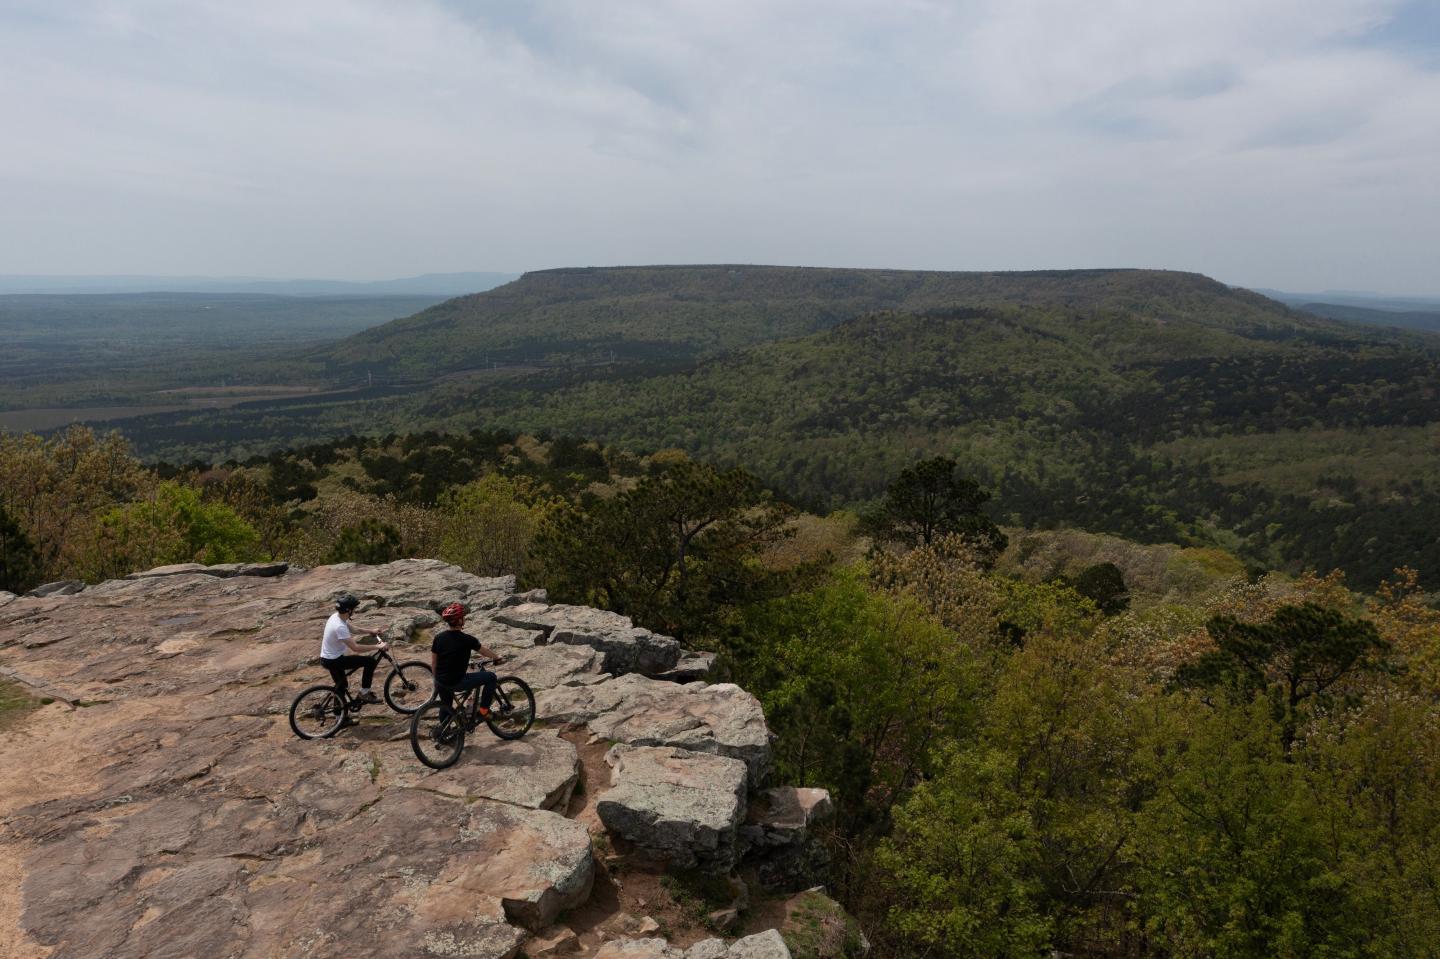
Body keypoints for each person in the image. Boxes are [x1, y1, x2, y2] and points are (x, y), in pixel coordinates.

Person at [431, 601, 503, 720]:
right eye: (462, 617)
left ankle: (442, 733)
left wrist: (436, 680)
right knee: (491, 677)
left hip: (440, 681)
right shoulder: (467, 640)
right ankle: (484, 711)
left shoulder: (438, 638)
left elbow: (434, 663)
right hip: (457, 682)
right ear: (459, 621)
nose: (464, 619)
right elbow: (484, 651)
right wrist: (496, 657)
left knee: (445, 705)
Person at [320, 594, 388, 712]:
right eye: (354, 609)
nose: (355, 611)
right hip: (334, 660)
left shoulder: (336, 617)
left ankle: (340, 719)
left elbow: (354, 629)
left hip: (327, 658)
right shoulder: (339, 626)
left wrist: (370, 631)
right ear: (348, 610)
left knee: (341, 688)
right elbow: (355, 648)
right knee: (369, 661)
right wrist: (377, 646)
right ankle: (364, 693)